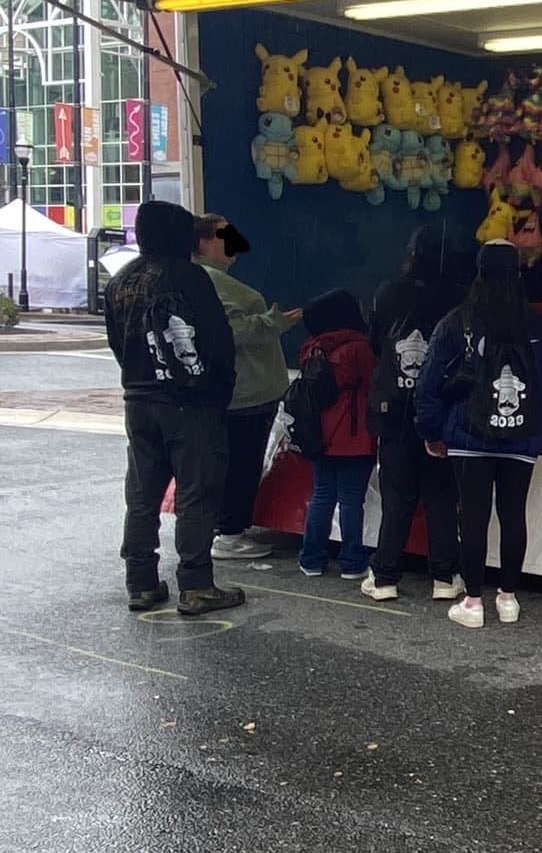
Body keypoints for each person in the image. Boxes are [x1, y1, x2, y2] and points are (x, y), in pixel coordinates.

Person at [414, 241, 542, 629]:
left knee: (473, 516)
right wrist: (534, 427)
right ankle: (508, 598)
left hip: (469, 438)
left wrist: (432, 431)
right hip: (521, 441)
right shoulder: (541, 327)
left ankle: (472, 602)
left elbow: (429, 384)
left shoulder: (458, 322)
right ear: (518, 273)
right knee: (513, 514)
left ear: (479, 272)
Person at [102, 198, 243, 615]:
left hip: (139, 397)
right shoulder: (191, 277)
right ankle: (197, 584)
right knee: (197, 494)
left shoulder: (121, 280)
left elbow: (116, 342)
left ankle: (141, 580)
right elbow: (218, 342)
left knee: (142, 494)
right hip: (191, 401)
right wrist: (219, 390)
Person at [362, 225, 467, 604]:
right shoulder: (457, 298)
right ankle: (444, 577)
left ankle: (385, 576)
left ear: (410, 253)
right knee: (440, 497)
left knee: (397, 497)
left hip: (392, 409)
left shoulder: (387, 292)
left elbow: (375, 343)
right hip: (438, 412)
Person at [192, 212, 300, 561]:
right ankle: (230, 530)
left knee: (232, 461)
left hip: (241, 390)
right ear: (204, 242)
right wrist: (273, 322)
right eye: (224, 234)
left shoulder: (207, 279)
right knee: (241, 463)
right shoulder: (210, 281)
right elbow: (232, 331)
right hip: (246, 392)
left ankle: (222, 526)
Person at [295, 288, 378, 581]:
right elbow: (372, 385)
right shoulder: (360, 348)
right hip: (355, 438)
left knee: (321, 496)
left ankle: (311, 558)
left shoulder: (311, 348)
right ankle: (352, 562)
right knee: (352, 500)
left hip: (319, 435)